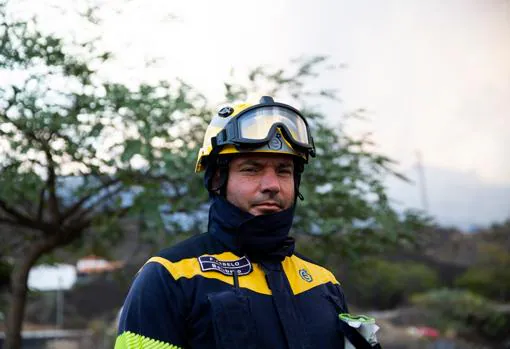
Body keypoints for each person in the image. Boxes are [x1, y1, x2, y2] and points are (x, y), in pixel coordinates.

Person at [115, 96, 378, 349]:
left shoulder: (323, 283)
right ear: (218, 178)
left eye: (283, 171)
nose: (272, 185)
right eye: (251, 169)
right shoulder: (170, 276)